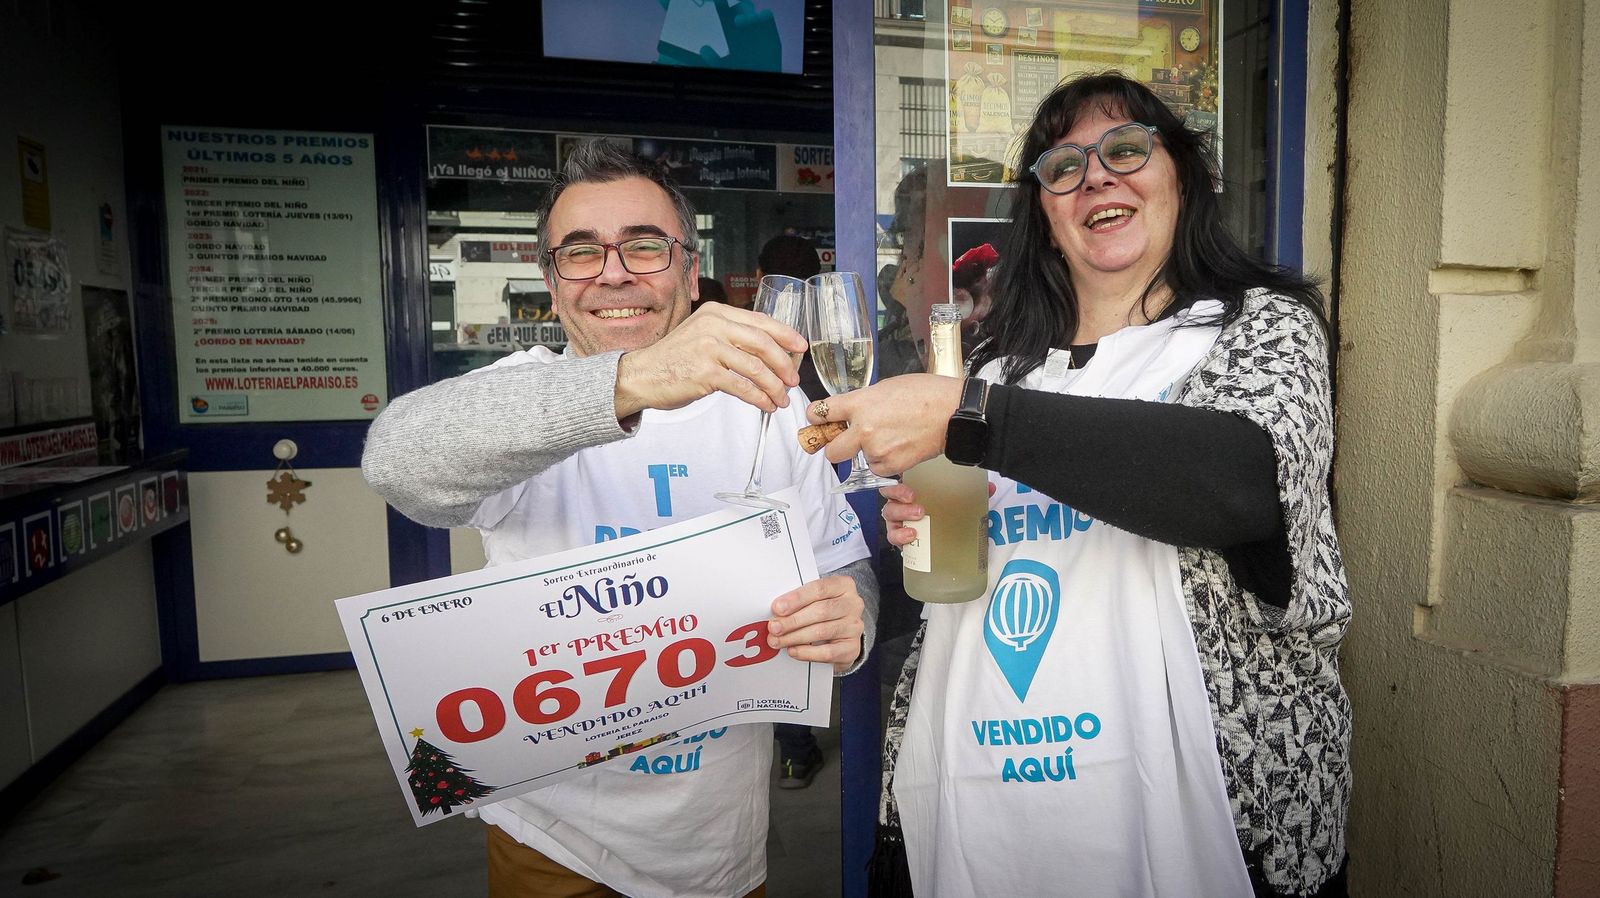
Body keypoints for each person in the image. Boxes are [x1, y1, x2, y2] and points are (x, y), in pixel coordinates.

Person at [807, 73, 1350, 898]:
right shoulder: (999, 365)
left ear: (1187, 176)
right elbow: (956, 568)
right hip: (977, 802)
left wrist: (972, 415)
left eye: (1126, 149)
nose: (1096, 176)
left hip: (1204, 815)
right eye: (1063, 167)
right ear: (1047, 214)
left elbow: (1240, 485)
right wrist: (908, 542)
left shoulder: (1263, 326)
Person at [363, 140, 876, 898]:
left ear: (688, 267)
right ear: (550, 279)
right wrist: (634, 380)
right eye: (579, 252)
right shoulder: (519, 399)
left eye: (642, 246)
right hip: (558, 843)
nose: (612, 272)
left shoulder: (769, 402)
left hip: (724, 844)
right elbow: (395, 460)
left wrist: (851, 618)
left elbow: (843, 563)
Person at [753, 232, 828, 788]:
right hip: (829, 483)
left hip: (791, 494)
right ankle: (796, 745)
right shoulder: (833, 339)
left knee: (786, 613)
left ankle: (796, 749)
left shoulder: (754, 344)